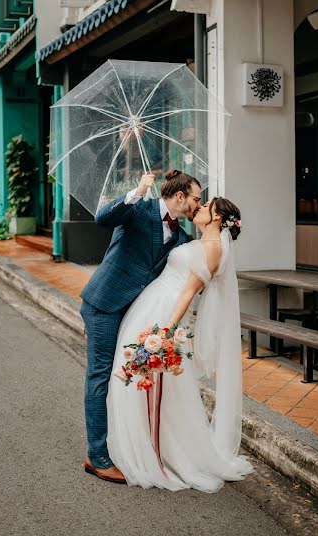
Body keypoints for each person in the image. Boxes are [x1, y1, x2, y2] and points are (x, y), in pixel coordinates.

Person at [106, 197, 253, 492]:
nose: (198, 207)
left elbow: (188, 293)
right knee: (144, 381)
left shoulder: (213, 249)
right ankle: (143, 444)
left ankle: (155, 453)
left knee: (152, 382)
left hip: (165, 311)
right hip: (155, 303)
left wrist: (164, 331)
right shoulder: (200, 242)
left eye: (205, 205)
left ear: (217, 218)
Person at [80, 170, 202, 482]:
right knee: (101, 375)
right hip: (105, 303)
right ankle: (96, 456)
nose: (198, 205)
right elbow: (103, 217)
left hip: (136, 313)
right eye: (196, 199)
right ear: (179, 197)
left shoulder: (181, 237)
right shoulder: (140, 208)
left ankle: (121, 445)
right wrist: (136, 191)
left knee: (127, 379)